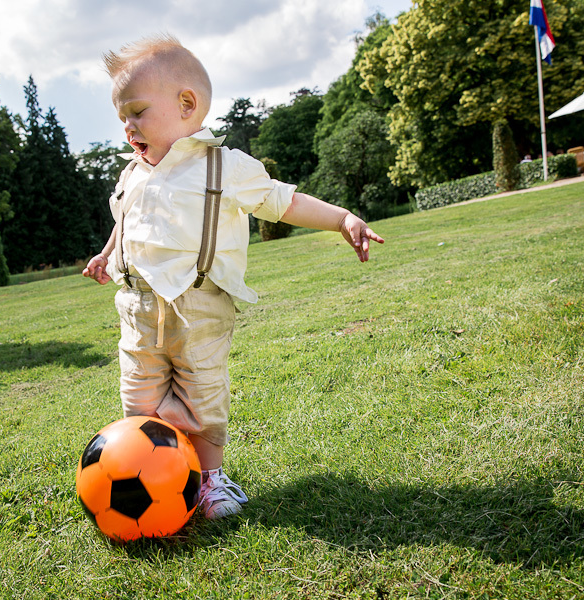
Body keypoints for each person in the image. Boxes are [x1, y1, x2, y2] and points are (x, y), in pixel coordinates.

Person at [82, 35, 384, 519]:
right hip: (137, 307)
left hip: (199, 306)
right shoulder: (133, 173)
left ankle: (208, 480)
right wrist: (107, 254)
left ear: (187, 104)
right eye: (122, 118)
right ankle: (151, 477)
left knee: (202, 396)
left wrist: (342, 218)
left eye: (136, 111)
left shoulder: (224, 166)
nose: (128, 127)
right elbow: (127, 222)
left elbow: (285, 201)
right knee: (139, 398)